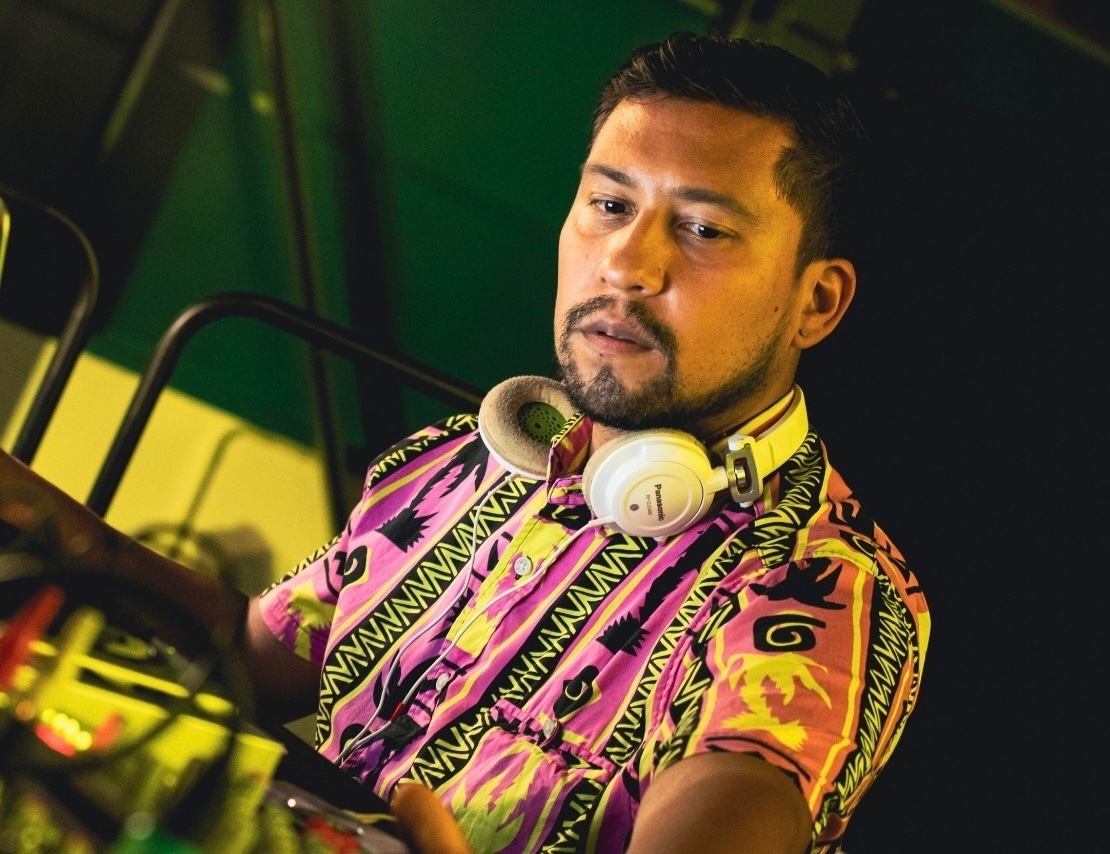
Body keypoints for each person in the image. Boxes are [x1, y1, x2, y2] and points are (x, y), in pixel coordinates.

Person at [0, 30, 929, 854]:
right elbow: (250, 656)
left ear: (816, 303)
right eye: (610, 206)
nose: (625, 263)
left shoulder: (824, 589)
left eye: (702, 228)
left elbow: (738, 803)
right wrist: (22, 506)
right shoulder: (461, 457)